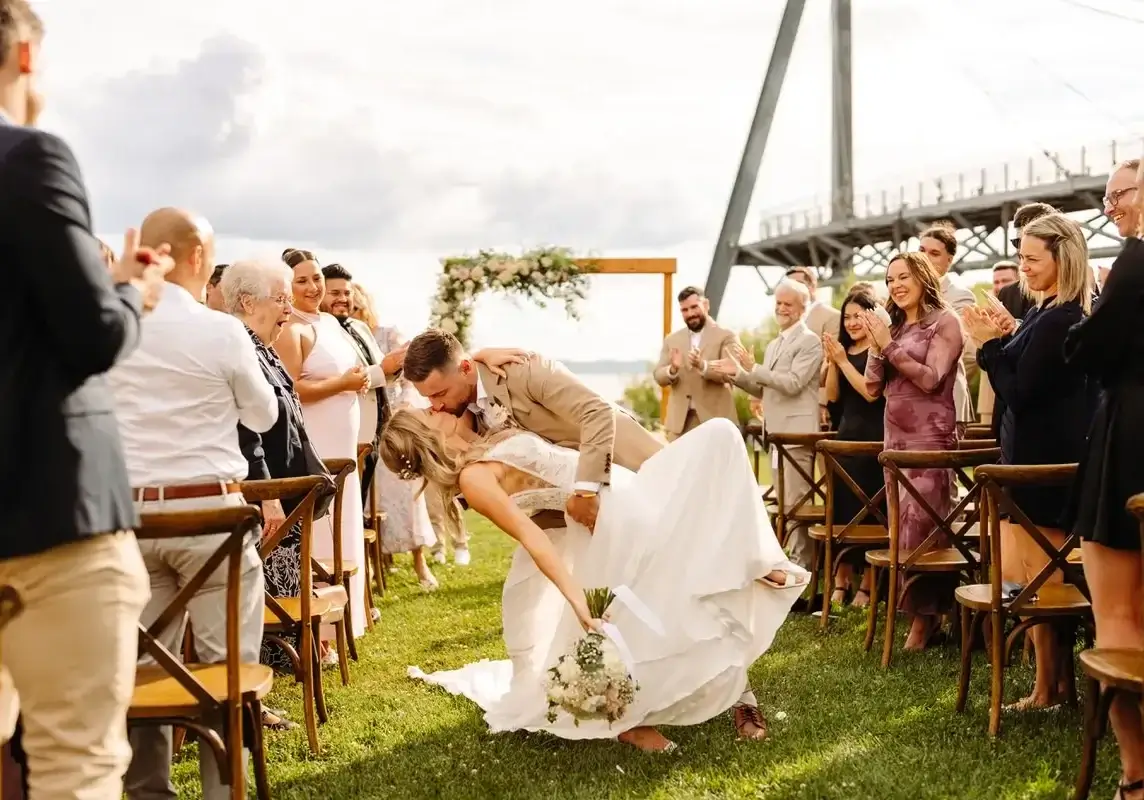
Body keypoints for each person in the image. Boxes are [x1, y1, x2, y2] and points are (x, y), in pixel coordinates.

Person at [382, 410, 806, 752]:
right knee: (662, 605)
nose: (435, 407)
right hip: (608, 524)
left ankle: (753, 562)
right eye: (427, 412)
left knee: (720, 437)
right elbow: (532, 538)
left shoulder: (479, 442)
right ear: (426, 436)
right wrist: (576, 600)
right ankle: (628, 721)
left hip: (626, 492)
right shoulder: (473, 481)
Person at [0, 2, 170, 795]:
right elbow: (92, 336)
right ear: (27, 56)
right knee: (76, 764)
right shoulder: (28, 159)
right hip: (50, 513)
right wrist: (133, 290)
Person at [965, 213, 1095, 711]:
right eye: (1019, 256)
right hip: (1026, 460)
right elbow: (1028, 363)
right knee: (1032, 580)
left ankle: (1052, 687)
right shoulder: (1044, 314)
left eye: (1031, 258)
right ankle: (1050, 684)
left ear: (1062, 258)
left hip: (1041, 468)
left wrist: (989, 346)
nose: (1023, 267)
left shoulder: (1062, 316)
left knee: (1043, 582)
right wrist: (1010, 332)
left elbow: (1019, 392)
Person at [402, 330, 664, 535]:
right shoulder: (462, 412)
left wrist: (586, 491)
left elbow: (597, 412)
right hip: (563, 505)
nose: (436, 405)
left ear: (467, 369)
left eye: (440, 394)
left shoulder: (525, 370)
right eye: (429, 399)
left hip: (625, 465)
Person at [1062, 158, 1144, 800]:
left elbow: (1087, 350)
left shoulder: (1136, 263)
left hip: (1130, 442)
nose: (1110, 204)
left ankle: (1136, 773)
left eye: (1120, 194)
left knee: (1116, 616)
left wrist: (1093, 311)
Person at [863, 252, 964, 651]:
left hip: (930, 440)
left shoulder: (946, 322)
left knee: (925, 529)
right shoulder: (896, 327)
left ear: (923, 277)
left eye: (903, 277)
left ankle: (928, 620)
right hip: (896, 440)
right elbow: (873, 388)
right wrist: (876, 346)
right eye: (889, 280)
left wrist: (888, 347)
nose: (895, 286)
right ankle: (917, 616)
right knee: (899, 528)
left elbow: (930, 378)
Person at [709, 278, 823, 571]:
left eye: (788, 304)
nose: (782, 309)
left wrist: (753, 368)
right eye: (779, 303)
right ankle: (791, 564)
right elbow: (765, 389)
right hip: (775, 435)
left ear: (802, 308)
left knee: (798, 506)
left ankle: (803, 569)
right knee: (785, 505)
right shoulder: (775, 344)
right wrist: (736, 374)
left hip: (797, 436)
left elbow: (794, 384)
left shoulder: (810, 341)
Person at [821, 285, 886, 607]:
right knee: (844, 513)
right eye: (847, 317)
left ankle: (870, 584)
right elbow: (832, 397)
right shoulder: (842, 352)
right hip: (846, 436)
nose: (851, 322)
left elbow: (871, 393)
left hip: (875, 438)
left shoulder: (878, 349)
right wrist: (834, 361)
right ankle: (841, 579)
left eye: (858, 316)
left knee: (873, 514)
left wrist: (844, 361)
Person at [652, 286, 738, 441]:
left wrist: (703, 365)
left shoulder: (726, 335)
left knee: (715, 465)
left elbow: (732, 372)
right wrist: (672, 369)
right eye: (684, 310)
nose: (690, 314)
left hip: (715, 421)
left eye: (694, 307)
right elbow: (658, 375)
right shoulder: (672, 339)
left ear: (706, 305)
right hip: (679, 425)